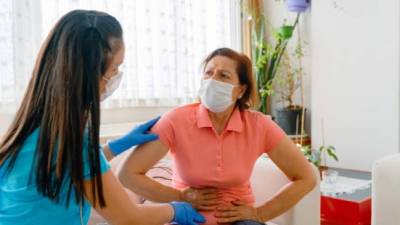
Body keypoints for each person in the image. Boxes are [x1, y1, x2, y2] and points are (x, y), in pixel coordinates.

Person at [0, 10, 205, 225]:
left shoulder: (24, 132)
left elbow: (67, 167)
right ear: (90, 74)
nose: (115, 77)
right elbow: (128, 217)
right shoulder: (74, 142)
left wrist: (115, 147)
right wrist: (175, 209)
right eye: (115, 67)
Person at [117, 48, 317, 225]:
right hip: (187, 217)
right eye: (208, 73)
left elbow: (306, 177)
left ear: (241, 90)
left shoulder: (259, 125)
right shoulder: (175, 120)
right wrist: (179, 196)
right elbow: (128, 175)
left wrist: (260, 213)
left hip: (239, 220)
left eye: (223, 75)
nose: (213, 80)